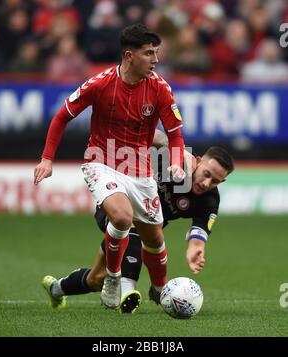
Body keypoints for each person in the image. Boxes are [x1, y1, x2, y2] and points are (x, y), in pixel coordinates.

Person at [34, 24, 185, 309]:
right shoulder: (100, 84)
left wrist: (176, 162)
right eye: (149, 53)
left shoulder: (160, 88)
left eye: (156, 53)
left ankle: (159, 288)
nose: (155, 60)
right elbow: (61, 117)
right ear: (129, 56)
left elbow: (175, 134)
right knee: (122, 218)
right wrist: (47, 158)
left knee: (154, 236)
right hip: (101, 162)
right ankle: (114, 278)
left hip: (140, 170)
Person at [41, 142, 235, 313]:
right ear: (198, 161)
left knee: (97, 279)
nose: (206, 183)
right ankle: (129, 292)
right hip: (116, 205)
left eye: (215, 181)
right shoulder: (170, 161)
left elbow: (199, 232)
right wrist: (174, 147)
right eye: (206, 174)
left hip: (144, 231)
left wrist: (196, 249)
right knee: (133, 225)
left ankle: (56, 289)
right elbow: (153, 138)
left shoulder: (210, 200)